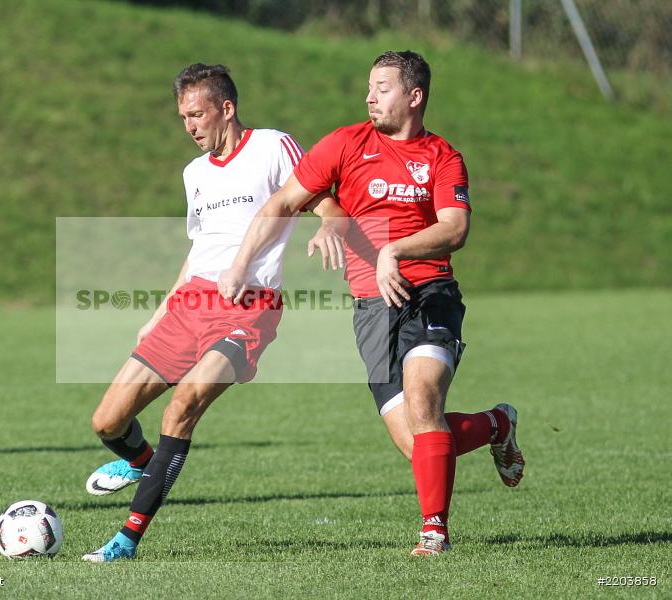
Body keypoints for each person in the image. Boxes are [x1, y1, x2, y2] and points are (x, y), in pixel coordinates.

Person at [218, 50, 524, 556]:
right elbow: (283, 201)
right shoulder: (345, 142)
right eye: (369, 87)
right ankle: (498, 424)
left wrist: (394, 251)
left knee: (424, 400)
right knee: (417, 443)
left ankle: (434, 532)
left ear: (414, 96)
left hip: (429, 294)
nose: (369, 97)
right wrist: (240, 264)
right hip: (371, 308)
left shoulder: (442, 157)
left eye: (382, 88)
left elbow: (455, 228)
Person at [81, 63, 337, 563]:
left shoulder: (273, 146)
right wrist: (159, 313)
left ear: (227, 108)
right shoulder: (193, 173)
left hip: (249, 308)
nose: (189, 126)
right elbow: (198, 250)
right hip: (189, 306)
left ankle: (126, 541)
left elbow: (316, 194)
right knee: (106, 422)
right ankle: (144, 463)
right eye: (182, 117)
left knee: (182, 408)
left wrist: (330, 223)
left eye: (197, 115)